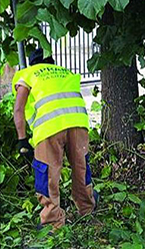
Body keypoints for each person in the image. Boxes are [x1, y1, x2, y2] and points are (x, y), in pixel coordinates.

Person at [12, 48, 98, 231]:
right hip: (78, 122)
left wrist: (22, 140)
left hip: (49, 128)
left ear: (32, 63)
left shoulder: (27, 74)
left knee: (48, 174)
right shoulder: (65, 72)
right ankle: (87, 212)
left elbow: (18, 109)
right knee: (81, 169)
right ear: (51, 62)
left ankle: (53, 224)